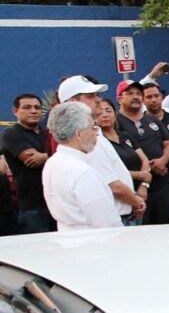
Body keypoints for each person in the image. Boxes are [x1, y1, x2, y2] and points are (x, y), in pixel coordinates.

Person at [57, 75, 144, 225]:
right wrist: (136, 201)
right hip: (113, 218)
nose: (98, 100)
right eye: (90, 96)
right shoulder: (84, 139)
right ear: (72, 102)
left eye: (97, 95)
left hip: (121, 214)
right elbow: (112, 185)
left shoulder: (95, 132)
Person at [42, 102, 123, 231]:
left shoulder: (52, 163)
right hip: (94, 242)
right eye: (93, 128)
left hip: (68, 237)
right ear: (79, 134)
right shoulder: (83, 172)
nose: (96, 134)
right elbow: (106, 221)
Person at [116, 80, 169, 225]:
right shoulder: (116, 123)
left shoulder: (152, 119)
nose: (135, 97)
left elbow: (168, 143)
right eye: (129, 93)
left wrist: (163, 160)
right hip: (134, 191)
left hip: (161, 186)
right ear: (119, 99)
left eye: (138, 93)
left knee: (166, 228)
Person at [2, 94, 55, 233]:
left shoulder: (49, 133)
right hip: (32, 208)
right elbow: (33, 161)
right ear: (15, 111)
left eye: (37, 107)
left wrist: (45, 156)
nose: (33, 111)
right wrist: (57, 155)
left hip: (56, 204)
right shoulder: (11, 134)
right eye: (27, 107)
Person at [97, 98, 152, 227]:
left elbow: (144, 160)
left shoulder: (125, 136)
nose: (104, 115)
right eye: (99, 112)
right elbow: (110, 173)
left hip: (139, 196)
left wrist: (144, 186)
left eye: (108, 110)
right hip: (120, 204)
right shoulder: (98, 142)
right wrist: (140, 175)